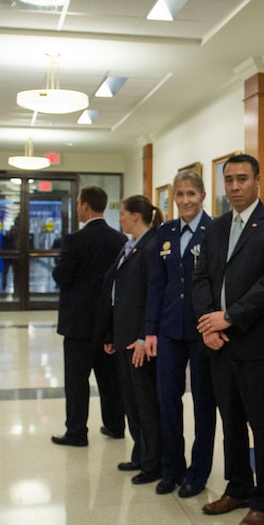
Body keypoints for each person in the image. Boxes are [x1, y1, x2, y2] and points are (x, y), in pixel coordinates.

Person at [192, 154, 264, 525]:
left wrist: (229, 317)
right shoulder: (215, 228)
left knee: (263, 427)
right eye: (229, 180)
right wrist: (207, 323)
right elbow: (201, 278)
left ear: (257, 181)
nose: (235, 187)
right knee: (230, 422)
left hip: (257, 345)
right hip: (219, 345)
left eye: (242, 179)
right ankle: (238, 487)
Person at [145, 170, 216, 498]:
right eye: (180, 195)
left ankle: (198, 472)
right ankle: (172, 468)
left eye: (191, 194)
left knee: (203, 402)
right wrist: (150, 331)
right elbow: (157, 284)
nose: (185, 200)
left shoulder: (214, 230)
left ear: (202, 195)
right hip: (170, 329)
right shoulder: (166, 232)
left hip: (203, 329)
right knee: (167, 399)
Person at [50, 186, 127, 447]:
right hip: (108, 323)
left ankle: (77, 431)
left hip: (78, 324)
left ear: (85, 206)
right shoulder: (120, 240)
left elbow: (62, 276)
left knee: (77, 381)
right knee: (110, 379)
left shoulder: (74, 240)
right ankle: (116, 425)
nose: (77, 208)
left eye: (78, 203)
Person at [104, 196, 163, 486]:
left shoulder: (152, 247)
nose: (120, 219)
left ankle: (153, 462)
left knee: (145, 402)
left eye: (123, 214)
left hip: (139, 339)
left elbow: (153, 297)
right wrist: (111, 335)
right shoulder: (130, 246)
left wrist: (143, 336)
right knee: (132, 401)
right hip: (123, 334)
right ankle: (141, 453)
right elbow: (117, 292)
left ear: (136, 216)